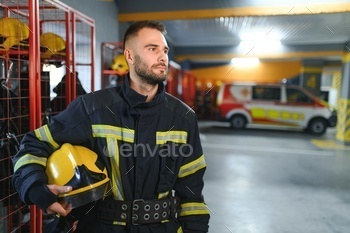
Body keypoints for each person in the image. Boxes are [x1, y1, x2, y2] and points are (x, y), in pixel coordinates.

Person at [12, 20, 210, 233]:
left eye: (165, 50)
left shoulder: (182, 118)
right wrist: (36, 189)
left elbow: (192, 193)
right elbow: (34, 143)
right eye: (152, 49)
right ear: (130, 56)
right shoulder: (92, 108)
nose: (162, 57)